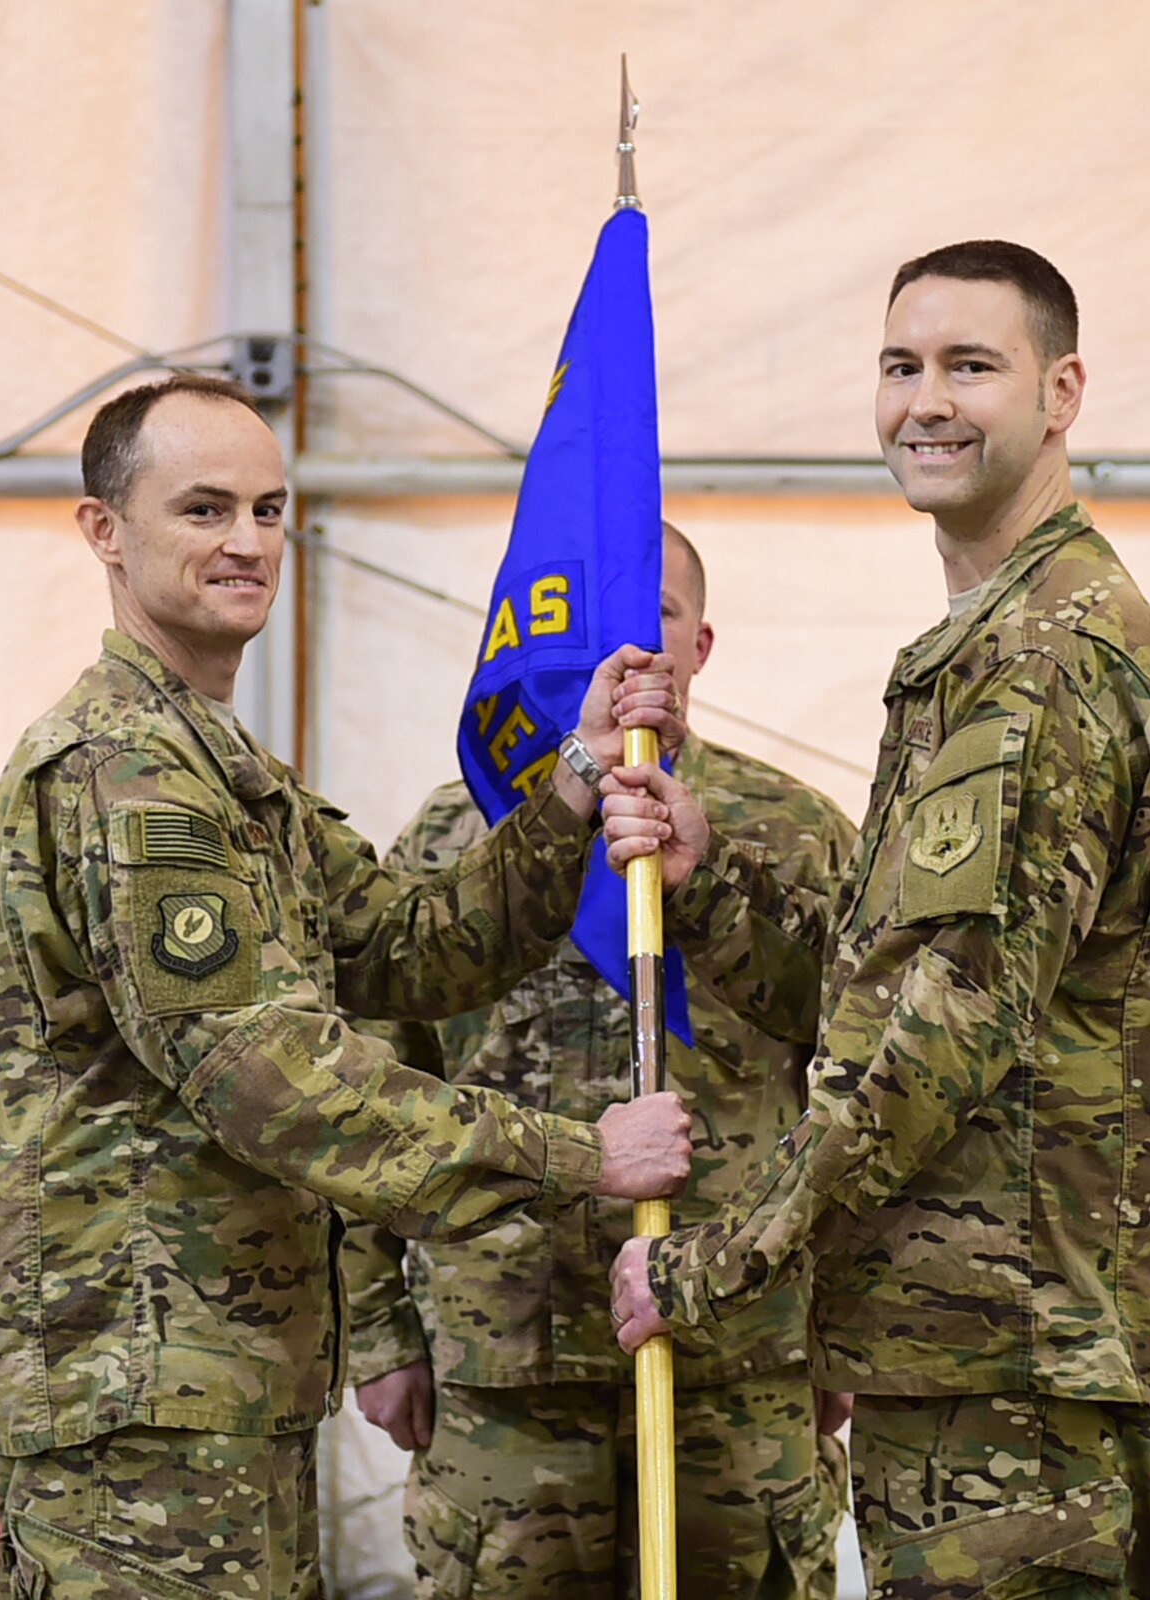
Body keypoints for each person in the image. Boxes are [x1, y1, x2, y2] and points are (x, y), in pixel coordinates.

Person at [0, 373, 694, 1600]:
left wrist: (568, 783)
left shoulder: (226, 770)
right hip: (137, 1394)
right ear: (104, 530)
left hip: (219, 1373)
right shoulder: (124, 773)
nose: (245, 542)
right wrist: (574, 1155)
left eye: (268, 508)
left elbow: (412, 946)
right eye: (202, 509)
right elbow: (268, 1073)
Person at [602, 241, 1150, 1600]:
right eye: (901, 367)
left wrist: (722, 1263)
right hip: (975, 1354)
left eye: (970, 367)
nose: (924, 402)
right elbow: (898, 982)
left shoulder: (1043, 660)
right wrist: (717, 878)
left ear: (1061, 393)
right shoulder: (992, 640)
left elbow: (945, 1036)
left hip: (1012, 1363)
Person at [341, 523, 859, 1599]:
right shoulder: (454, 841)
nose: (626, 648)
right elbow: (366, 1086)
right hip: (503, 1364)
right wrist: (374, 1329)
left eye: (656, 614)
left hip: (740, 1357)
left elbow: (869, 1079)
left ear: (700, 643)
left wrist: (845, 1328)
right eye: (593, 618)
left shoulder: (795, 833)